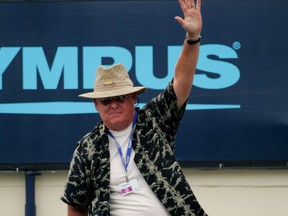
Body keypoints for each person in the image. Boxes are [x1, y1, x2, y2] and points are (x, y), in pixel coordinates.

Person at [61, 0, 207, 215]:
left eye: (120, 97)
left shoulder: (155, 121)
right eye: (106, 100)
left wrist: (192, 39)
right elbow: (75, 204)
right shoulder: (87, 148)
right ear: (96, 105)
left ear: (133, 98)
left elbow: (182, 80)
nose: (113, 104)